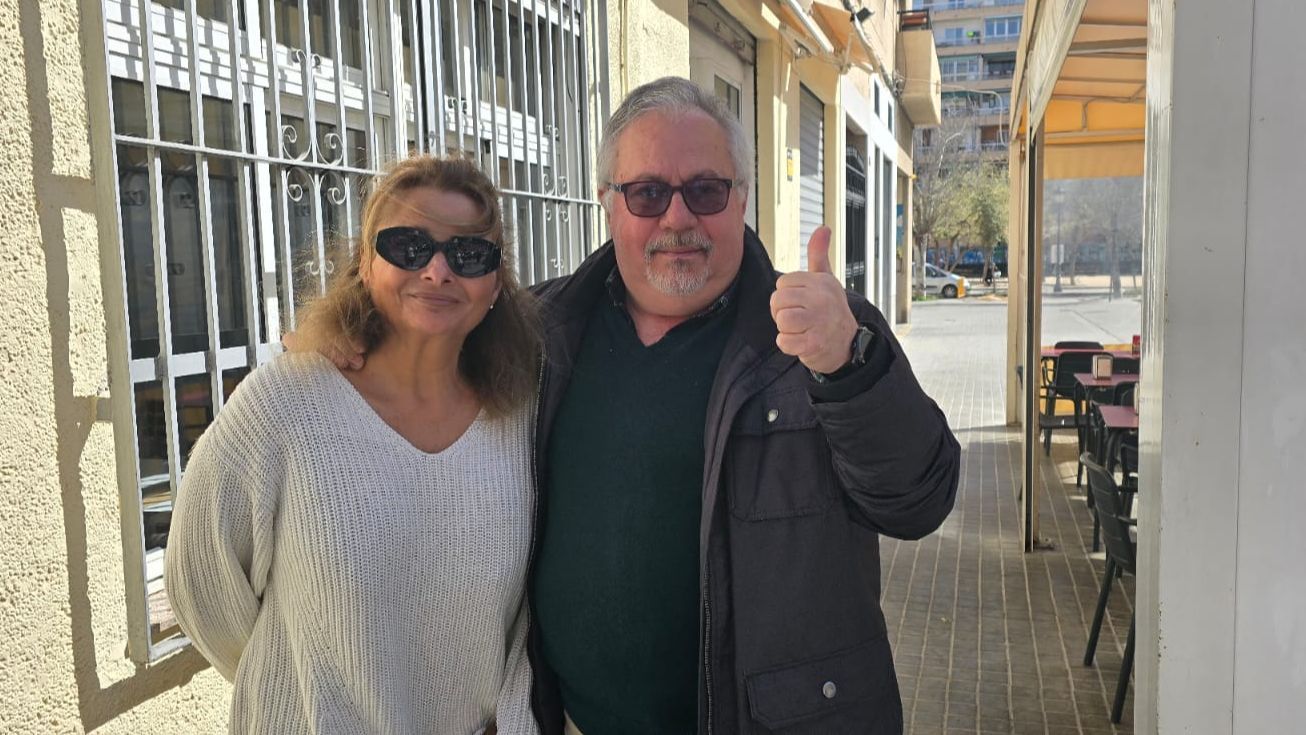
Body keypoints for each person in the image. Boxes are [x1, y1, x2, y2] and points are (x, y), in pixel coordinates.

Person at [328, 77, 959, 734]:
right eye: (648, 193)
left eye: (706, 191)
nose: (678, 218)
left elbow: (918, 501)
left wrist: (852, 364)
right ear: (609, 203)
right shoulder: (537, 331)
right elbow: (426, 327)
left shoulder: (820, 331)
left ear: (740, 197)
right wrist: (346, 338)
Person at [165, 156, 542, 735]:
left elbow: (526, 620)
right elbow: (201, 581)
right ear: (365, 264)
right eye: (407, 246)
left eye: (468, 254)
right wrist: (293, 682)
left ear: (495, 283)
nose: (438, 271)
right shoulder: (288, 403)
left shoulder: (520, 421)